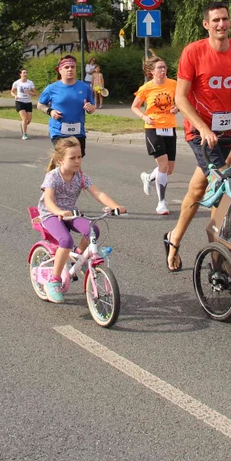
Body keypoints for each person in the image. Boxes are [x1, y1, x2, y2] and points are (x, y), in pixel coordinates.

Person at [164, 2, 231, 272]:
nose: (222, 24)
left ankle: (174, 238)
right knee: (224, 187)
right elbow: (180, 98)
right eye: (216, 20)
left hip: (228, 131)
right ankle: (224, 257)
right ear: (206, 24)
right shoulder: (193, 51)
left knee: (197, 189)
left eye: (225, 19)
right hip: (200, 132)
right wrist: (203, 128)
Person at [36, 137, 125, 303]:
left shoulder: (81, 176)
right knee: (66, 240)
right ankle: (54, 281)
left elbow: (98, 193)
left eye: (79, 157)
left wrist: (116, 206)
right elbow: (48, 200)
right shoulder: (53, 176)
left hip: (71, 213)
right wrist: (58, 211)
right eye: (72, 158)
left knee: (93, 230)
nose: (78, 161)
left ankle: (79, 255)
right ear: (60, 160)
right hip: (51, 214)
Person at [132, 54, 178, 215]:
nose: (163, 70)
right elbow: (135, 106)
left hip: (170, 128)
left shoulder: (174, 84)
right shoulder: (146, 88)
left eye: (164, 67)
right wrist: (144, 116)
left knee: (169, 169)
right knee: (163, 165)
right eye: (159, 67)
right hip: (153, 128)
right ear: (151, 71)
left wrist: (177, 108)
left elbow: (181, 100)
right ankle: (161, 203)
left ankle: (148, 177)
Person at [38, 55, 96, 156]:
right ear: (60, 70)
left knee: (76, 162)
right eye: (66, 67)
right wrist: (50, 111)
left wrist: (90, 108)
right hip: (58, 132)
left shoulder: (85, 87)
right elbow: (40, 105)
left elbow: (92, 108)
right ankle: (56, 171)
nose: (70, 69)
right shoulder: (51, 88)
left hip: (78, 132)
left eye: (72, 67)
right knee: (65, 160)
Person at [11, 68, 37, 140]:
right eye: (24, 73)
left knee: (28, 120)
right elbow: (12, 91)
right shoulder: (16, 83)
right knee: (25, 118)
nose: (25, 74)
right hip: (20, 102)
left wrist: (29, 92)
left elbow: (35, 93)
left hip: (28, 102)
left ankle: (23, 124)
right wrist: (15, 96)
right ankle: (24, 134)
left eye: (26, 73)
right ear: (20, 74)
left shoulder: (30, 83)